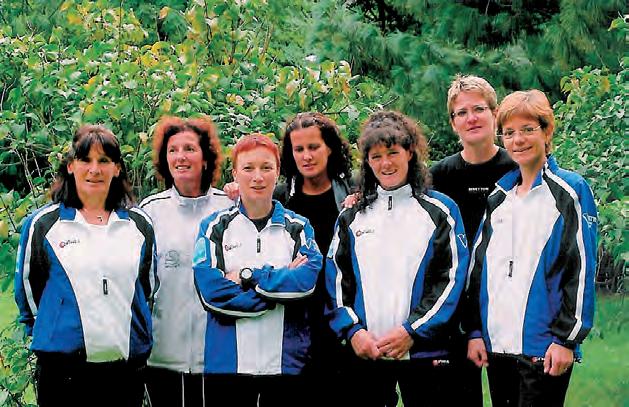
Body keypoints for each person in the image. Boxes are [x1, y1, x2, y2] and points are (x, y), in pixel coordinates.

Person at [325, 111, 469, 406]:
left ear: (410, 152)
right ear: (367, 161)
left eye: (393, 153)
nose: (386, 163)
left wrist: (412, 330)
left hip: (424, 353)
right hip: (367, 353)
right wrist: (353, 332)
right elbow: (337, 279)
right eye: (376, 156)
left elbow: (451, 279)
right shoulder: (351, 216)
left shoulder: (441, 211)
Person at [465, 90, 597, 406]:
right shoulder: (499, 196)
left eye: (528, 129)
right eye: (509, 132)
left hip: (544, 347)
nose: (518, 140)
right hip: (497, 346)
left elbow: (580, 270)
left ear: (546, 132)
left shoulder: (570, 191)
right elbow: (478, 269)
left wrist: (566, 340)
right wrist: (474, 332)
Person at [14, 125, 156, 407]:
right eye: (85, 160)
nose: (94, 169)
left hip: (124, 370)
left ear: (117, 168)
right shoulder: (44, 225)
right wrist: (58, 325)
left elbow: (147, 288)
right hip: (62, 372)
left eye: (104, 161)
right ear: (71, 166)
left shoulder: (139, 225)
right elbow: (30, 291)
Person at [193, 134, 323, 406]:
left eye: (266, 168)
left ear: (278, 172)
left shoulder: (299, 227)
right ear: (235, 174)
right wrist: (279, 287)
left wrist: (246, 276)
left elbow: (306, 283)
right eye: (248, 168)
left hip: (287, 363)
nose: (258, 177)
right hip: (228, 365)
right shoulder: (214, 227)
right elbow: (211, 293)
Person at [430, 74, 517, 405]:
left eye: (479, 109)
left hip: (507, 307)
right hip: (453, 311)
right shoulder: (438, 176)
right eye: (462, 112)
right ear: (453, 123)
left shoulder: (518, 167)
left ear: (495, 114)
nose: (471, 118)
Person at [140, 116, 232, 406]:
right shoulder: (150, 212)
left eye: (189, 149)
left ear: (205, 158)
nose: (180, 157)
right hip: (163, 356)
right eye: (173, 150)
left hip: (219, 356)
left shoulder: (229, 208)